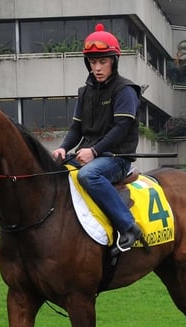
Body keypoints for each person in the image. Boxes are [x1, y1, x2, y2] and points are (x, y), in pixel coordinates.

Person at [51, 23, 143, 252]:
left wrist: (94, 151)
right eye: (93, 62)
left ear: (114, 61)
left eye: (103, 61)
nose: (98, 68)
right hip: (90, 155)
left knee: (89, 175)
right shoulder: (85, 92)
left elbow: (121, 128)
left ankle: (129, 226)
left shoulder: (126, 90)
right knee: (53, 170)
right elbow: (76, 129)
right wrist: (63, 148)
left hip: (117, 158)